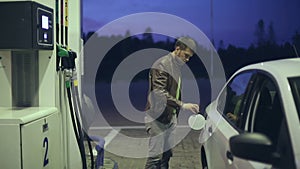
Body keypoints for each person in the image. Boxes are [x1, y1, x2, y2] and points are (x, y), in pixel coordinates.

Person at [144, 37, 199, 169]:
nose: (187, 60)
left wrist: (175, 114)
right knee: (155, 159)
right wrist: (182, 105)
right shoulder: (162, 64)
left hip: (170, 117)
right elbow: (158, 92)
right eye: (186, 56)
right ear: (177, 49)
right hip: (157, 118)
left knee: (166, 156)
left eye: (189, 57)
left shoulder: (176, 65)